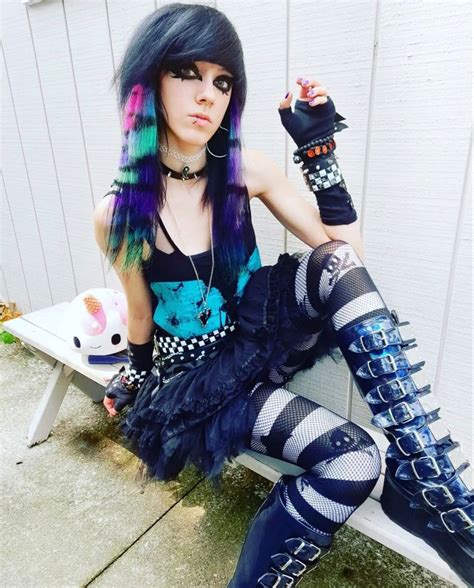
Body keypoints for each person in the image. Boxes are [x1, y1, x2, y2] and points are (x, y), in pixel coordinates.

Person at [93, 4, 473, 586]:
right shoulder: (119, 215)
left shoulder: (245, 171)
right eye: (187, 73)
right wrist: (134, 374)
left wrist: (318, 150)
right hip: (201, 383)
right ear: (150, 83)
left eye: (223, 82)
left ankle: (427, 479)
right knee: (355, 460)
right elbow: (140, 312)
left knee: (334, 265)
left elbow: (345, 255)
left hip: (257, 339)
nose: (208, 95)